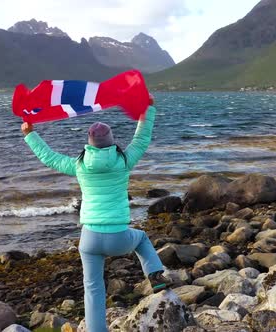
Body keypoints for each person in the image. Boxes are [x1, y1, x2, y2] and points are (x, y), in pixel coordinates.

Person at [21, 96, 170, 332]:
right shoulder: (123, 160)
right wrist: (147, 109)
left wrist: (30, 133)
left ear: (89, 143)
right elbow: (142, 139)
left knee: (93, 288)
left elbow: (48, 157)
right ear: (111, 142)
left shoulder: (79, 165)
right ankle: (155, 276)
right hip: (120, 237)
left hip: (89, 239)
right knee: (141, 238)